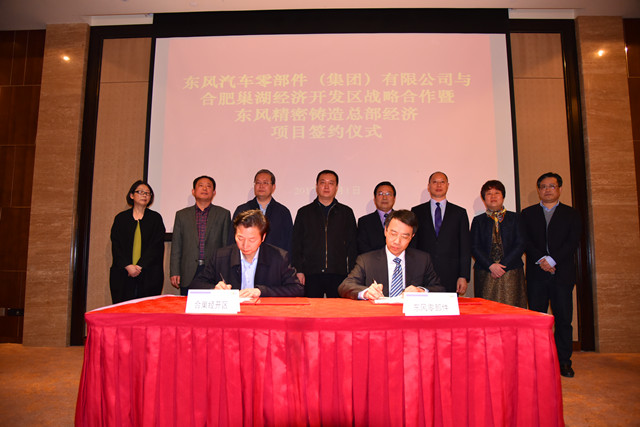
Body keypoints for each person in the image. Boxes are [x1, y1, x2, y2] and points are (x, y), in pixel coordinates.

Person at [521, 172, 581, 378]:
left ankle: (564, 361)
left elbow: (572, 242)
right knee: (537, 320)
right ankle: (538, 360)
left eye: (552, 186)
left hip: (562, 275)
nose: (547, 190)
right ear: (539, 190)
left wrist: (553, 260)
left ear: (559, 189)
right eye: (543, 186)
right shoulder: (527, 214)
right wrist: (542, 260)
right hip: (537, 275)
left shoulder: (571, 214)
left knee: (563, 320)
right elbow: (525, 241)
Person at [190, 210, 303, 297]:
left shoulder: (278, 257)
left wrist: (261, 291)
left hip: (263, 314)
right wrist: (215, 289)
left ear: (263, 237)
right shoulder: (221, 256)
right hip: (232, 314)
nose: (245, 245)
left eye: (252, 240)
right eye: (240, 238)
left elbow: (297, 288)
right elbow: (196, 284)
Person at [339, 210, 443, 299]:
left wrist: (421, 291)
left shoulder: (422, 260)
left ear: (412, 237)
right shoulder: (366, 260)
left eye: (404, 236)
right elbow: (345, 286)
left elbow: (439, 288)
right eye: (393, 234)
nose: (397, 241)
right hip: (379, 314)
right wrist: (366, 292)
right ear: (385, 231)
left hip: (408, 314)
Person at [292, 170, 357, 298]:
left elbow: (352, 245)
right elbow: (296, 244)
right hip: (311, 274)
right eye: (323, 183)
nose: (326, 186)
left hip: (339, 274)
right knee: (311, 309)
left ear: (336, 187)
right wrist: (298, 270)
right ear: (317, 186)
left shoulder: (346, 212)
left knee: (338, 309)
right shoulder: (304, 212)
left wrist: (352, 273)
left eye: (331, 183)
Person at [170, 175, 231, 296]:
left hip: (213, 270)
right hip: (188, 270)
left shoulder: (223, 214)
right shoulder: (181, 215)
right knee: (187, 305)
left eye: (208, 186)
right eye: (201, 186)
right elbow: (177, 246)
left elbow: (226, 246)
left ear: (214, 192)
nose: (204, 189)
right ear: (193, 191)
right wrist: (174, 271)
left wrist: (225, 272)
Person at [411, 171, 471, 294]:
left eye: (442, 182)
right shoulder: (417, 211)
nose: (438, 185)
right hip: (423, 274)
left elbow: (465, 246)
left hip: (451, 275)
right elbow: (413, 245)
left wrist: (463, 276)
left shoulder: (459, 213)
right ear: (429, 186)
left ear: (447, 185)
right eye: (435, 182)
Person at [470, 180, 527, 308]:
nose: (493, 196)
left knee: (512, 309)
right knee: (486, 309)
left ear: (503, 196)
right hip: (486, 272)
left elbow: (520, 243)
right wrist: (490, 265)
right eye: (489, 193)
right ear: (484, 198)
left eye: (497, 193)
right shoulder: (478, 220)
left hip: (511, 271)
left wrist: (503, 266)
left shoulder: (515, 218)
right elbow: (474, 246)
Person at [109, 180, 166, 304]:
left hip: (149, 274)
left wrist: (140, 266)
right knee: (124, 309)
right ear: (131, 195)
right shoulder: (121, 218)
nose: (144, 195)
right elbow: (116, 245)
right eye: (140, 192)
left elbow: (156, 246)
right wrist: (128, 266)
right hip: (124, 273)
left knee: (147, 309)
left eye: (148, 193)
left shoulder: (155, 218)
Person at [230, 169, 293, 255]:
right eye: (258, 183)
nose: (261, 186)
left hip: (274, 260)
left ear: (273, 187)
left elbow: (289, 243)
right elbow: (232, 240)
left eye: (265, 183)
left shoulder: (283, 212)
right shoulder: (242, 210)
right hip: (246, 259)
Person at [357, 181, 396, 254]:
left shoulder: (403, 220)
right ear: (374, 199)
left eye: (388, 194)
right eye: (380, 194)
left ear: (394, 198)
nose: (384, 197)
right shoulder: (364, 222)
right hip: (373, 260)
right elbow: (362, 247)